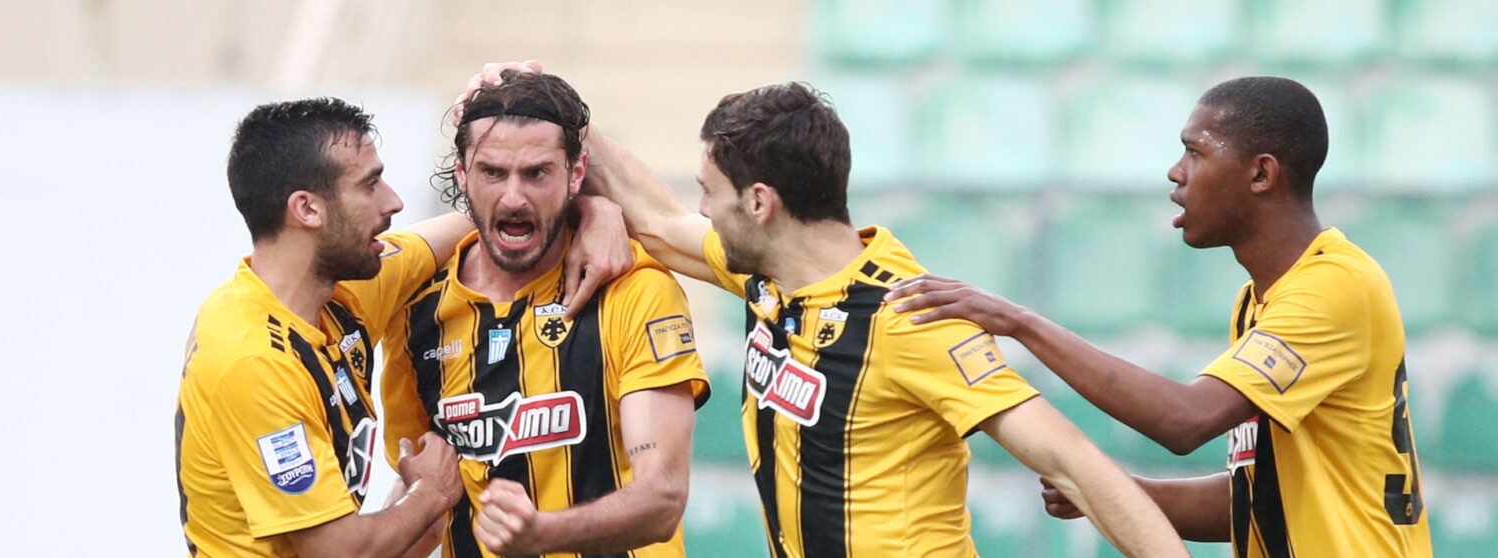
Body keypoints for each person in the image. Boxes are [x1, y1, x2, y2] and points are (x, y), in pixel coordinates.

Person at [568, 75, 1187, 556]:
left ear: (759, 203)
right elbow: (656, 220)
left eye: (709, 192)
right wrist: (558, 112)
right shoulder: (768, 274)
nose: (702, 209)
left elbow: (1075, 465)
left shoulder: (909, 316)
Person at [888, 76, 1434, 557]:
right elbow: (1255, 497)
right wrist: (1117, 493)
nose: (1176, 172)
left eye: (1196, 152)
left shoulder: (1335, 287)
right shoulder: (1262, 300)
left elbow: (1184, 420)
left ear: (1261, 174)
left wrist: (1019, 322)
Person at [176, 97, 631, 557]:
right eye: (369, 184)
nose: (393, 201)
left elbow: (486, 218)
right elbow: (339, 552)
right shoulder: (252, 359)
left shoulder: (344, 291)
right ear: (307, 210)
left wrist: (594, 211)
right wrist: (431, 492)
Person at [378, 71, 711, 558]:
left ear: (576, 174)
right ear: (462, 175)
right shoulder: (416, 313)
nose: (514, 198)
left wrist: (544, 534)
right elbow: (428, 496)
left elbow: (661, 499)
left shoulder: (634, 290)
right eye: (492, 173)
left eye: (536, 173)